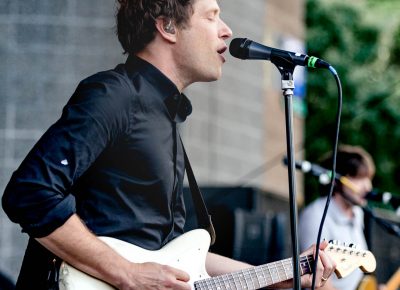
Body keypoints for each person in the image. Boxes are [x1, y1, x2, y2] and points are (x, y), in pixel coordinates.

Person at [2, 0, 335, 289]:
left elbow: (177, 254)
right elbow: (30, 194)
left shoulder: (165, 116)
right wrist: (127, 274)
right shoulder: (115, 96)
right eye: (212, 16)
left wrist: (277, 277)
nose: (226, 30)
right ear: (168, 27)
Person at [299, 145, 375, 290]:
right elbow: (318, 279)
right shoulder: (315, 215)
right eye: (358, 178)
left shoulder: (358, 214)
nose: (368, 186)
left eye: (368, 178)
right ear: (336, 180)